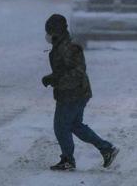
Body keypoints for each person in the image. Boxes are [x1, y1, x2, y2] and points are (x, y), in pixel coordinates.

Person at [42, 14, 119, 171]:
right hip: (74, 93)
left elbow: (77, 72)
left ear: (55, 31)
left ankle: (68, 160)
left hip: (72, 94)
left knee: (61, 126)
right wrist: (52, 77)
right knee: (75, 126)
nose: (47, 35)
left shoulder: (69, 47)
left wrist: (57, 81)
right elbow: (64, 70)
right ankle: (106, 149)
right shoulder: (61, 45)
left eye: (49, 31)